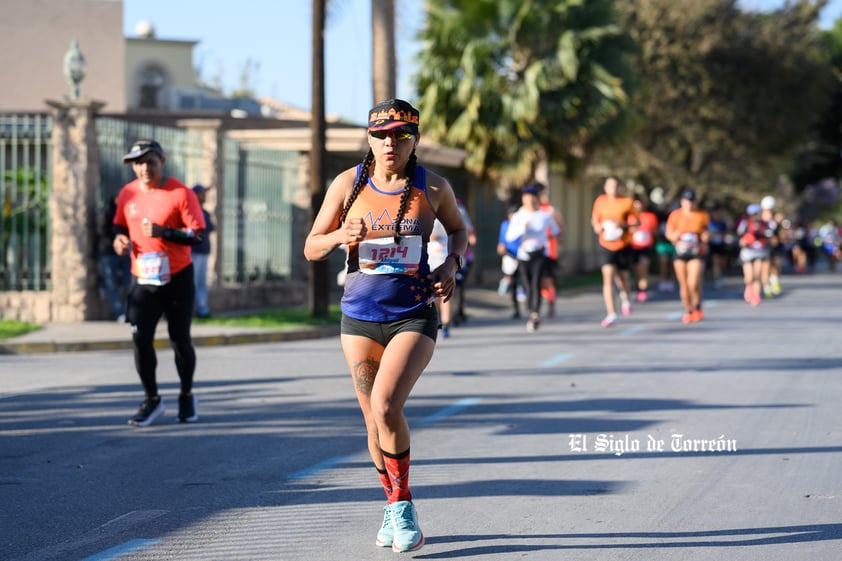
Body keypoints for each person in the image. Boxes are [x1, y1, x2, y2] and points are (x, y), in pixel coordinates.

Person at [303, 99, 467, 553]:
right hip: (358, 320)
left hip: (413, 314)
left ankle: (402, 506)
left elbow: (457, 230)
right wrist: (341, 235)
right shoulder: (347, 184)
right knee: (372, 424)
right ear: (369, 138)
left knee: (386, 404)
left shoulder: (432, 187)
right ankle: (393, 503)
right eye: (380, 135)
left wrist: (452, 263)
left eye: (400, 135)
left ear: (414, 139)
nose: (389, 144)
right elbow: (312, 247)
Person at [112, 139, 207, 427]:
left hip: (177, 276)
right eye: (138, 163)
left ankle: (186, 394)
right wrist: (119, 239)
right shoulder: (127, 193)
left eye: (149, 162)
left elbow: (197, 234)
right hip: (143, 278)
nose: (144, 168)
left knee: (180, 339)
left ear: (162, 162)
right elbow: (118, 225)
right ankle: (151, 400)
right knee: (140, 338)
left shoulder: (181, 192)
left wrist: (164, 232)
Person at [505, 184, 562, 332]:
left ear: (537, 199)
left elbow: (556, 230)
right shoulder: (518, 216)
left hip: (539, 255)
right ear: (523, 199)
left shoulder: (544, 215)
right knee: (527, 285)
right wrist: (522, 229)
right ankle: (531, 310)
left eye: (532, 198)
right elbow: (509, 236)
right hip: (523, 256)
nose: (530, 201)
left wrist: (549, 239)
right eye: (526, 198)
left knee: (537, 283)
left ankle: (535, 314)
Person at [591, 176, 638, 327]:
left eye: (616, 186)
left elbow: (636, 222)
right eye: (610, 186)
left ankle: (625, 297)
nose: (613, 189)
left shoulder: (627, 202)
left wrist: (621, 225)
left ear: (620, 188)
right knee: (608, 276)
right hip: (606, 244)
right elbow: (595, 220)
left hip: (623, 244)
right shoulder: (600, 201)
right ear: (605, 187)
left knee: (622, 277)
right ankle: (611, 313)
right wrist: (599, 227)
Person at [665, 187, 710, 323]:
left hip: (695, 252)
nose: (689, 204)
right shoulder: (675, 215)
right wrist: (676, 237)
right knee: (683, 284)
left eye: (692, 201)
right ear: (682, 202)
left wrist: (704, 238)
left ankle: (697, 306)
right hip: (680, 252)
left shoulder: (702, 215)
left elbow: (705, 232)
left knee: (693, 283)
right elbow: (669, 234)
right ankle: (688, 310)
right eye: (686, 201)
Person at [98, 195, 131, 322]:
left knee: (127, 279)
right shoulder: (106, 212)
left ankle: (127, 310)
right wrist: (116, 239)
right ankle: (119, 313)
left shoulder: (125, 212)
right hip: (108, 252)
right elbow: (101, 230)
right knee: (111, 283)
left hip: (124, 252)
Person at [535, 182, 564, 317]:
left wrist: (557, 238)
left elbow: (560, 229)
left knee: (546, 279)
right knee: (536, 279)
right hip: (531, 252)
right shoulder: (526, 210)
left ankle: (551, 302)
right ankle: (536, 304)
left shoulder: (550, 210)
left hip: (548, 251)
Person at [736, 203, 769, 306]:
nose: (755, 216)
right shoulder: (745, 223)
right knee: (749, 276)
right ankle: (749, 286)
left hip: (760, 251)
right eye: (753, 214)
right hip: (748, 251)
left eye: (756, 213)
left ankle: (756, 295)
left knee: (757, 274)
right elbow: (739, 236)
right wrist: (744, 240)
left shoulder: (764, 224)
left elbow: (769, 235)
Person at [627, 193, 658, 302]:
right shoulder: (630, 218)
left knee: (644, 267)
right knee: (637, 269)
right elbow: (627, 232)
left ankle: (643, 290)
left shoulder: (650, 217)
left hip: (645, 247)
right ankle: (637, 287)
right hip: (633, 247)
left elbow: (655, 232)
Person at [191, 184, 215, 318]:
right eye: (202, 193)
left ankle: (202, 308)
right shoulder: (190, 211)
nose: (205, 196)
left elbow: (208, 230)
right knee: (192, 282)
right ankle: (191, 308)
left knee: (201, 282)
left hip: (203, 251)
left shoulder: (204, 212)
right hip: (193, 252)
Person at [496, 205, 522, 319]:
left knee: (523, 280)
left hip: (522, 256)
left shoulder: (523, 225)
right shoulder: (505, 225)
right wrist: (502, 249)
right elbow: (501, 243)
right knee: (512, 282)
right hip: (510, 257)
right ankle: (516, 308)